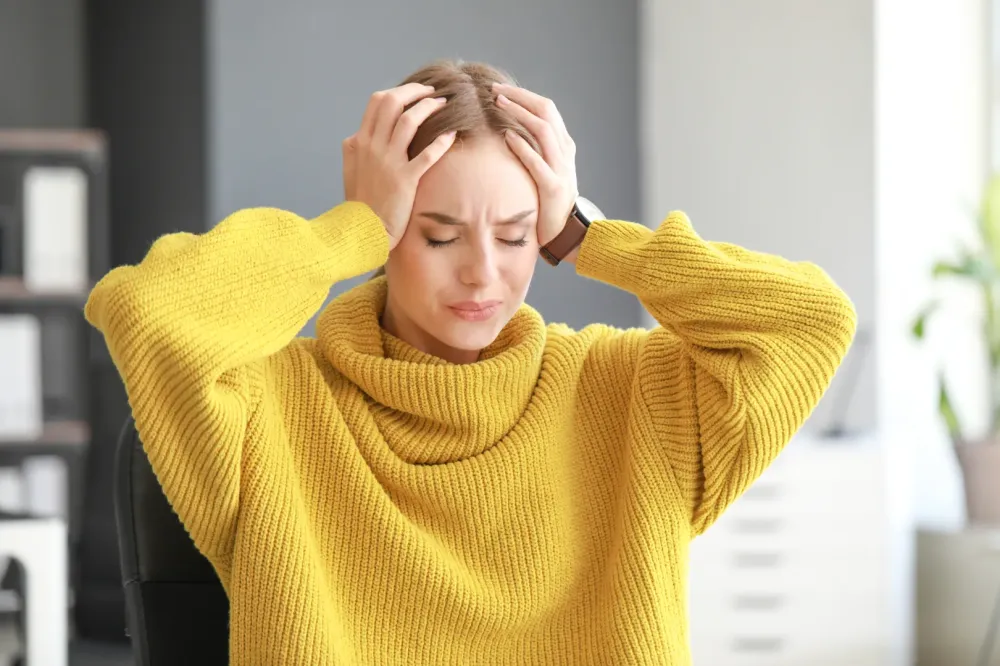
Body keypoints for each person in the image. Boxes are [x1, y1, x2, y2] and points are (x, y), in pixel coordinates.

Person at [85, 59, 856, 665]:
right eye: (440, 235)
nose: (483, 273)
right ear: (392, 232)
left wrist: (590, 237)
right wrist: (349, 228)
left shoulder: (628, 395)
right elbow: (150, 311)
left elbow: (812, 322)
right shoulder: (270, 409)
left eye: (518, 235)